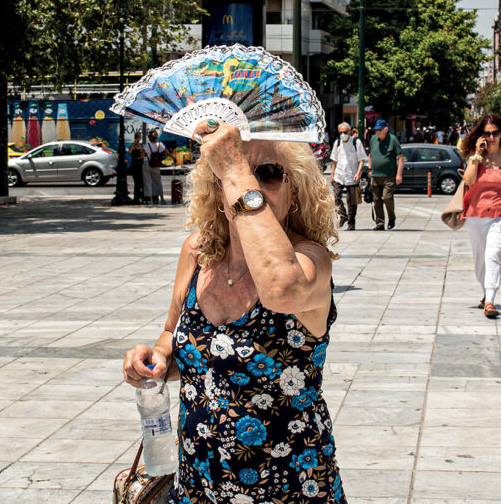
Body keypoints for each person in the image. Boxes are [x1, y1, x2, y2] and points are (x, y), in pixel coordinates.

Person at [122, 118, 345, 503]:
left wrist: (235, 166)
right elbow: (174, 338)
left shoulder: (310, 260)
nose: (251, 185)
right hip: (197, 485)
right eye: (236, 173)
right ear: (217, 188)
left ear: (295, 193)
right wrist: (155, 357)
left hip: (289, 488)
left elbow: (281, 288)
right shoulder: (197, 251)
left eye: (269, 174)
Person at [459, 115, 501, 319]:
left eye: (495, 133)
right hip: (476, 213)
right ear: (481, 136)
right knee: (480, 259)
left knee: (493, 254)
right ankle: (485, 291)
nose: (491, 137)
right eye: (487, 133)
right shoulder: (474, 156)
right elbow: (468, 180)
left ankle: (490, 300)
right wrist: (477, 155)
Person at [330, 121, 367, 231]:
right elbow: (334, 160)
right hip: (339, 174)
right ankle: (342, 215)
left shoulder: (356, 142)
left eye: (345, 132)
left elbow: (361, 160)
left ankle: (351, 223)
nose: (343, 135)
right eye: (340, 132)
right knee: (335, 197)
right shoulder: (337, 143)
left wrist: (358, 173)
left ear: (350, 132)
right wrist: (332, 174)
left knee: (352, 202)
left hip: (352, 175)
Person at [368, 119, 403, 230]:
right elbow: (370, 155)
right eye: (376, 130)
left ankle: (391, 218)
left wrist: (399, 175)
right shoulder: (373, 139)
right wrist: (369, 168)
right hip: (375, 175)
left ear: (386, 129)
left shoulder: (392, 140)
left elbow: (400, 158)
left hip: (388, 175)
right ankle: (380, 222)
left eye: (379, 130)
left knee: (387, 197)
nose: (377, 132)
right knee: (376, 199)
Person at [143, 129, 166, 204]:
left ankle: (151, 199)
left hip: (147, 163)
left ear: (150, 137)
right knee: (158, 181)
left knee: (148, 181)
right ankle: (162, 198)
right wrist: (173, 158)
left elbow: (142, 154)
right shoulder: (160, 144)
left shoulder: (147, 145)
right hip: (156, 164)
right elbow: (167, 152)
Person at [128, 131, 146, 203]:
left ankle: (142, 196)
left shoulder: (141, 145)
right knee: (137, 181)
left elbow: (143, 154)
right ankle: (136, 197)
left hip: (141, 163)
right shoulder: (133, 145)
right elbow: (130, 151)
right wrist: (135, 142)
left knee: (142, 182)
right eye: (137, 137)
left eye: (139, 137)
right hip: (135, 164)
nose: (138, 138)